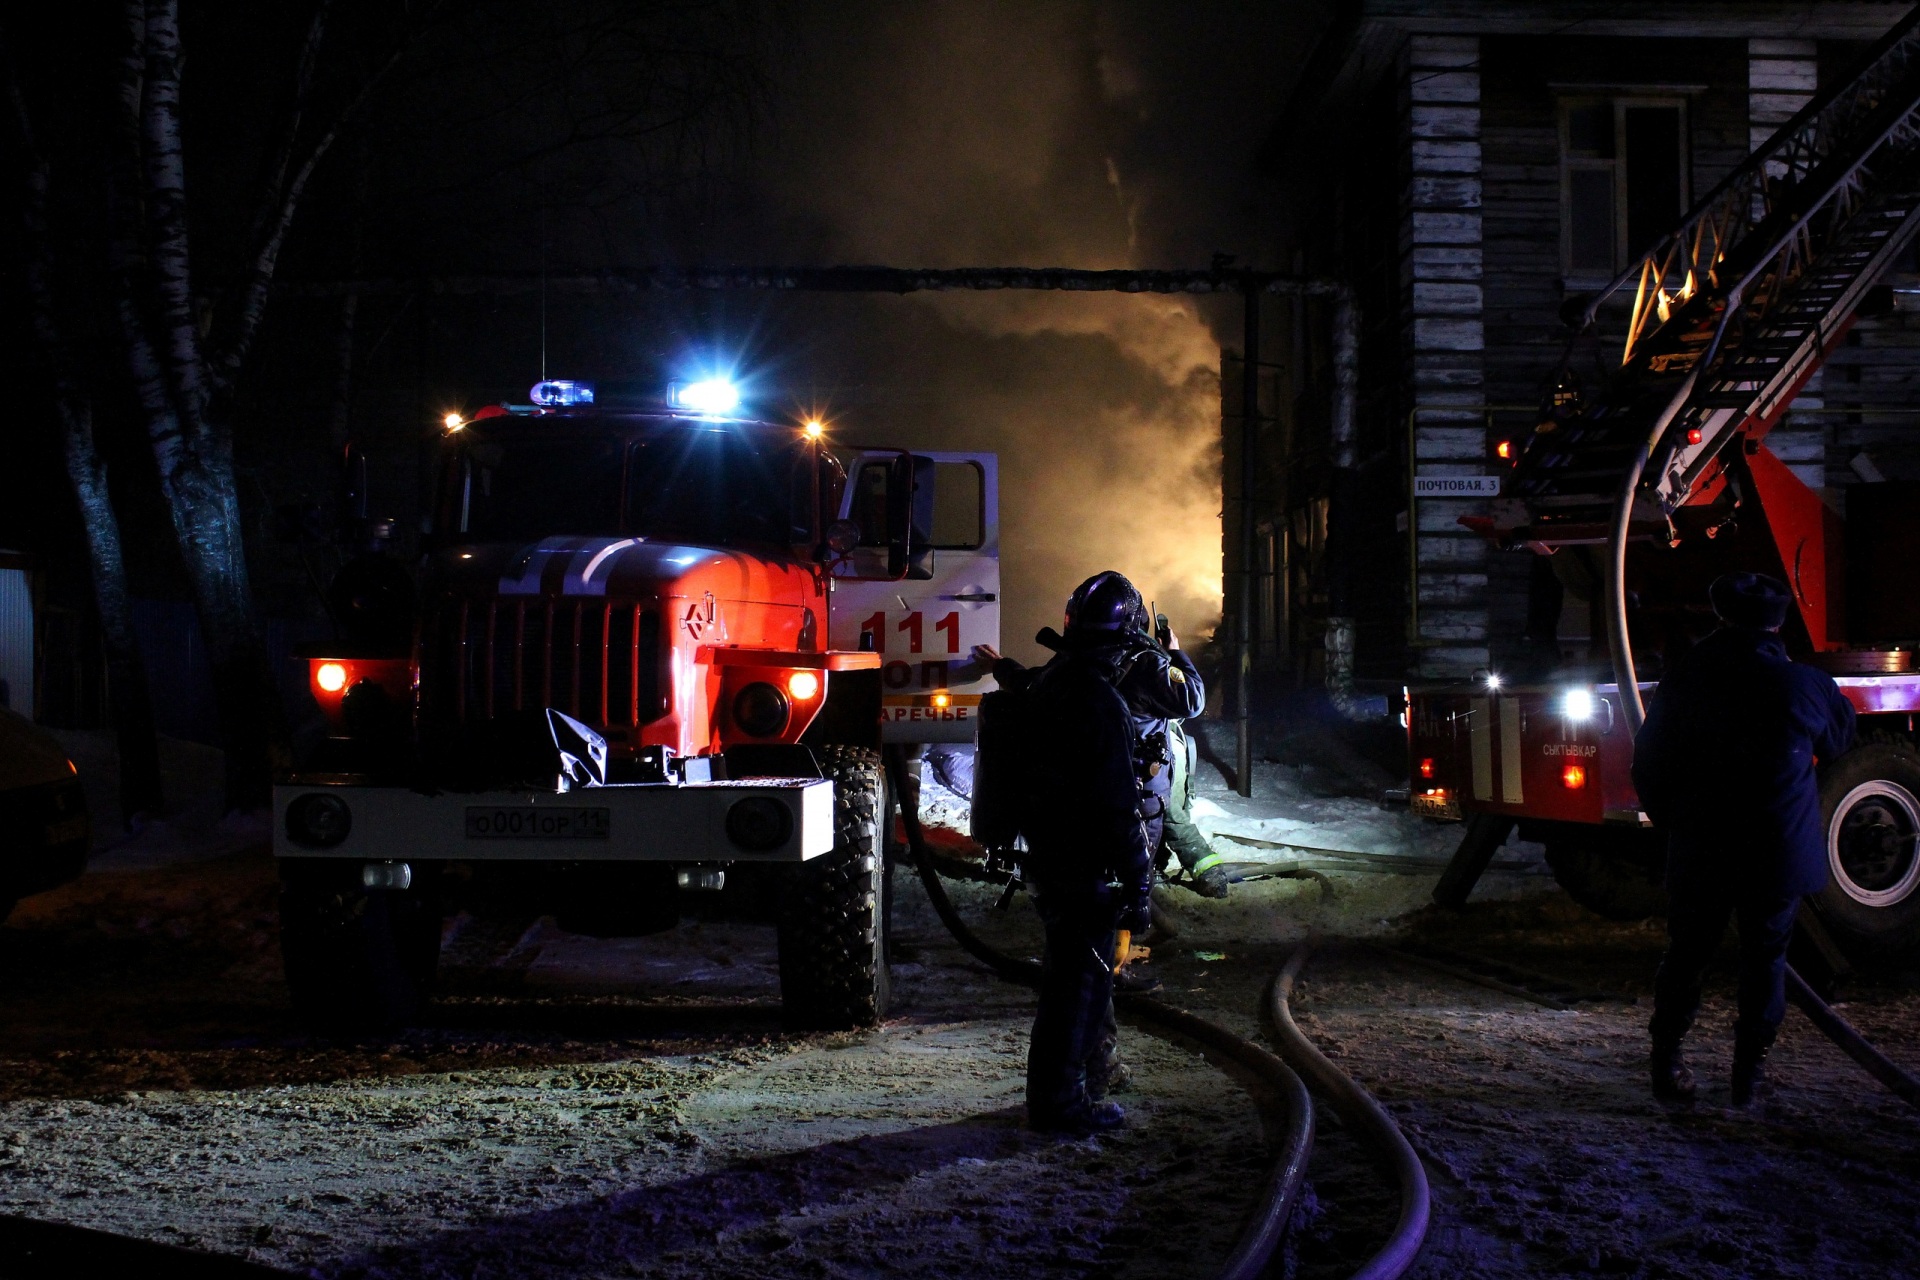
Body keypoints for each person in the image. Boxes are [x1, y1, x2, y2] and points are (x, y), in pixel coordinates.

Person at [1631, 571, 1856, 1106]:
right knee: (1766, 960)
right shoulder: (1805, 683)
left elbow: (1648, 763)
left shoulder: (1684, 679)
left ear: (1721, 615)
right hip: (1776, 851)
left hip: (1701, 848)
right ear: (1778, 623)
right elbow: (1842, 740)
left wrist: (1674, 824)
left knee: (1687, 954)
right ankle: (1747, 1080)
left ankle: (1667, 1067)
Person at [1017, 572, 1157, 1134]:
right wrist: (1139, 883)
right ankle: (1062, 1107)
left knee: (1066, 985)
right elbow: (1118, 804)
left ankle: (1059, 1097)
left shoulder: (1054, 680)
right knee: (1079, 990)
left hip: (1049, 857)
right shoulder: (1098, 700)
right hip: (1083, 868)